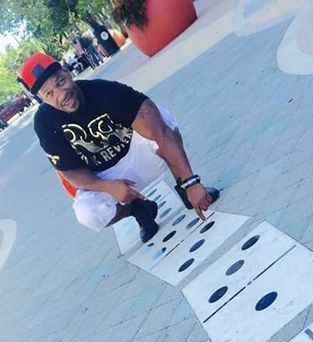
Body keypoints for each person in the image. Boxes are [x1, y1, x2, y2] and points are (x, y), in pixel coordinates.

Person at [20, 52, 217, 242]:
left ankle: (184, 188)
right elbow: (69, 172)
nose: (61, 94)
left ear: (67, 72)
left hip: (142, 155)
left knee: (162, 121)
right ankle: (139, 210)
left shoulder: (103, 91)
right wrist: (106, 186)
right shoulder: (45, 122)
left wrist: (191, 183)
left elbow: (161, 132)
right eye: (49, 93)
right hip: (107, 177)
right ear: (41, 98)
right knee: (87, 213)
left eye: (60, 82)